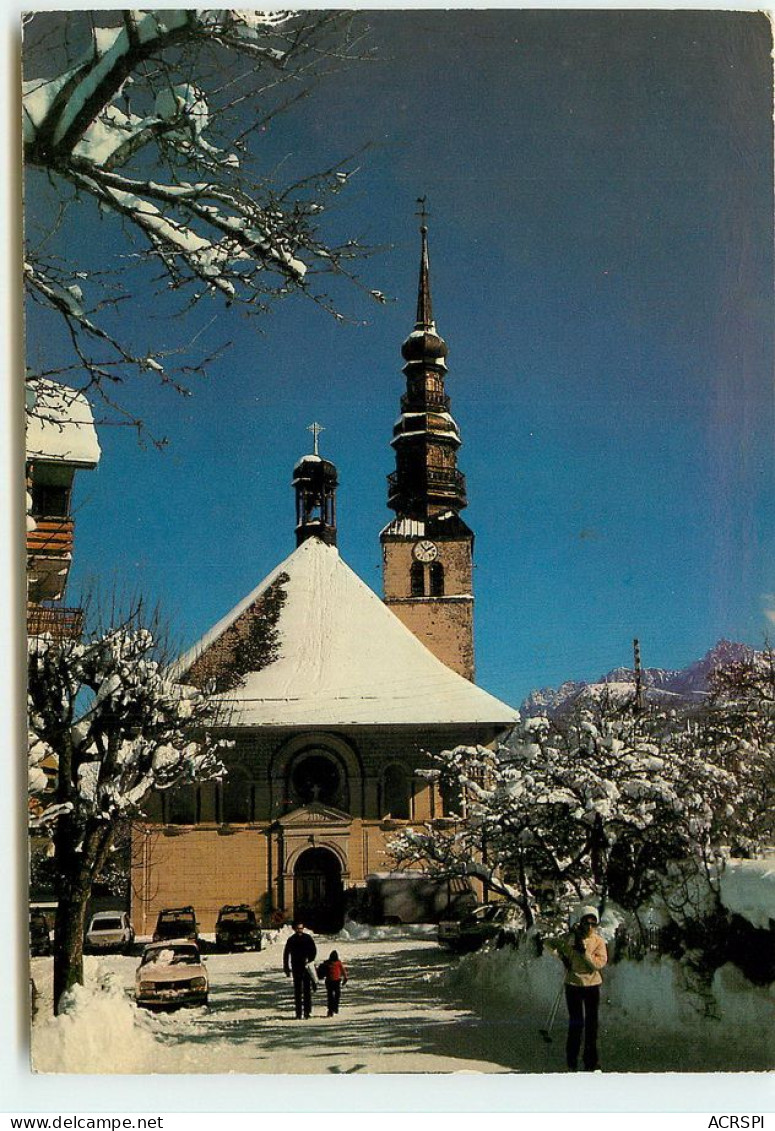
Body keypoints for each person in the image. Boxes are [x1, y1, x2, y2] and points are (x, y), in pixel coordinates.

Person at [546, 905, 608, 1071]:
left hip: (592, 985)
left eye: (593, 924)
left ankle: (591, 1061)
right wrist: (562, 957)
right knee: (576, 1023)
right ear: (580, 922)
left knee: (591, 1025)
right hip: (573, 984)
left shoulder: (598, 942)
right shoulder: (570, 938)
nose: (589, 927)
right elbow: (549, 943)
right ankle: (571, 1060)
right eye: (586, 923)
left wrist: (584, 953)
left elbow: (598, 964)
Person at [282, 920, 317, 1019]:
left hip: (306, 967)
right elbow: (286, 954)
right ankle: (298, 1013)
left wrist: (310, 960)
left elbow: (313, 951)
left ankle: (307, 1012)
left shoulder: (308, 938)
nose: (300, 931)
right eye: (298, 929)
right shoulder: (291, 940)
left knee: (307, 991)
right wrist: (286, 968)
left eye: (301, 928)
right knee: (297, 991)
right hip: (296, 967)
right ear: (294, 929)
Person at [320, 949, 348, 1017]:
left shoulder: (327, 963)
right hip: (336, 981)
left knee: (330, 996)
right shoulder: (338, 963)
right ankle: (334, 1008)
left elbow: (321, 970)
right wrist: (345, 978)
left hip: (330, 981)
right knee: (336, 995)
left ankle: (331, 1010)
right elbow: (343, 971)